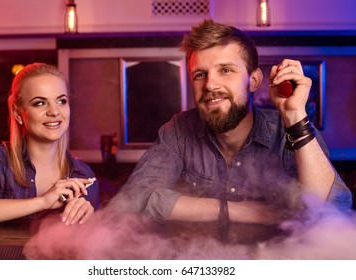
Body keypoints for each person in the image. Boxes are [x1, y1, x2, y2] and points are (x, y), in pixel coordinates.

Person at [107, 19, 352, 237]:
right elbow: (131, 202)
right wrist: (238, 210)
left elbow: (332, 214)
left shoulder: (291, 129)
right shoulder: (179, 131)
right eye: (200, 74)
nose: (211, 84)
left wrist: (294, 114)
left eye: (225, 70)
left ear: (253, 80)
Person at [0, 63, 99, 228]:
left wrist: (90, 221)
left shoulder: (83, 174)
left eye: (61, 101)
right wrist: (41, 202)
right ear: (17, 112)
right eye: (40, 103)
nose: (54, 112)